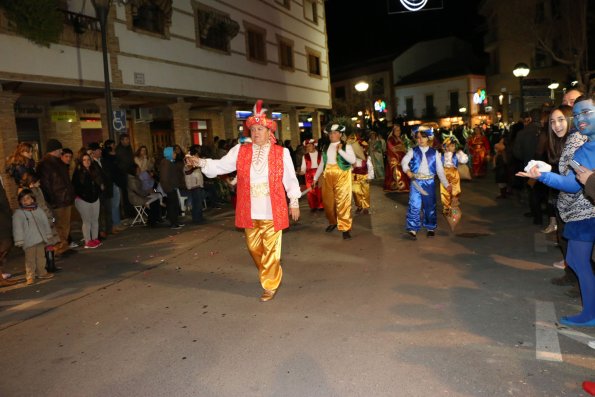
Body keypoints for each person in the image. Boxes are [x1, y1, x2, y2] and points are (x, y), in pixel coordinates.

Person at [189, 100, 301, 301]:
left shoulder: (281, 152)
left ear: (269, 131)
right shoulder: (240, 151)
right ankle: (271, 270)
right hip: (249, 209)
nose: (256, 132)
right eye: (253, 129)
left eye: (260, 129)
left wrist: (293, 201)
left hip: (272, 209)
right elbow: (221, 166)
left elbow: (290, 178)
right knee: (253, 248)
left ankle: (270, 284)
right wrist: (200, 162)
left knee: (271, 250)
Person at [517, 94, 595, 327]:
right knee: (576, 259)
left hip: (585, 212)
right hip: (582, 211)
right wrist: (544, 174)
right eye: (578, 113)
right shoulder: (583, 147)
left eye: (585, 113)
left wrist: (545, 176)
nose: (581, 118)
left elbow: (574, 184)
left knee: (578, 260)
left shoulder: (577, 142)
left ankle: (590, 313)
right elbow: (573, 182)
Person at [402, 126, 451, 240]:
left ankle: (430, 227)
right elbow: (404, 162)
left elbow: (440, 170)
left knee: (430, 206)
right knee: (414, 205)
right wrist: (407, 170)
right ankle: (413, 229)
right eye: (418, 138)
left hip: (429, 182)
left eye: (423, 137)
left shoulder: (435, 153)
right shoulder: (412, 151)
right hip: (416, 182)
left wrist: (446, 184)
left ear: (428, 138)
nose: (420, 140)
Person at [312, 122, 357, 240]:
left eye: (335, 133)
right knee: (328, 202)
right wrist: (315, 178)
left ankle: (345, 227)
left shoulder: (346, 146)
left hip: (342, 175)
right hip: (328, 176)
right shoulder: (325, 147)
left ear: (340, 134)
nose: (332, 135)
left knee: (343, 202)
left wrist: (341, 151)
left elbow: (352, 160)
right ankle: (333, 222)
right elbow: (322, 163)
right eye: (331, 133)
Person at [36, 139, 76, 256]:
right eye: (60, 149)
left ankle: (64, 245)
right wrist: (51, 200)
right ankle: (59, 248)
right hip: (57, 200)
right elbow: (45, 184)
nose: (61, 151)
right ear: (55, 150)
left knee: (65, 224)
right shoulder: (44, 164)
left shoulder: (59, 162)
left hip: (65, 198)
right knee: (59, 225)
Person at [12, 189, 55, 285]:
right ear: (20, 201)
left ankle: (42, 272)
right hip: (29, 241)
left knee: (41, 257)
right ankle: (30, 276)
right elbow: (17, 228)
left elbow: (45, 223)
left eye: (28, 198)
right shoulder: (18, 214)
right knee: (30, 260)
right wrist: (19, 240)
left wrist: (48, 234)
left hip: (40, 238)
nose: (26, 200)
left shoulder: (38, 210)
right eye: (23, 199)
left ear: (32, 199)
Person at [72, 153, 103, 249]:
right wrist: (84, 196)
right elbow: (76, 187)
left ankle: (95, 238)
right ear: (81, 161)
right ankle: (87, 241)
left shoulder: (94, 170)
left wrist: (98, 191)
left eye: (88, 159)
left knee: (95, 219)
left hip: (94, 198)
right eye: (84, 160)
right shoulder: (78, 172)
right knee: (87, 221)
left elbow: (98, 183)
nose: (87, 161)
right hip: (83, 200)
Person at [440, 134, 468, 215]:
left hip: (454, 173)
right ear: (446, 147)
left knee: (455, 191)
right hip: (444, 174)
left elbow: (464, 160)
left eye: (454, 146)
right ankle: (446, 208)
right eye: (452, 146)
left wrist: (461, 153)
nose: (454, 147)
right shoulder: (441, 155)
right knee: (444, 191)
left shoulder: (457, 154)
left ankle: (454, 209)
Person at [159, 147, 184, 229]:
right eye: (173, 153)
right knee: (172, 206)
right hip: (170, 188)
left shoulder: (170, 162)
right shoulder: (166, 163)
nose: (175, 154)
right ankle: (173, 223)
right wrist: (168, 188)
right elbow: (164, 178)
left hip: (173, 187)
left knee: (175, 205)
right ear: (169, 154)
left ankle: (175, 222)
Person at [0, 175, 17, 286]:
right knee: (5, 244)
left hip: (4, 215)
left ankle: (1, 277)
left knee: (6, 244)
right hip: (1, 217)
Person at [383, 124, 410, 192]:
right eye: (397, 130)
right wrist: (401, 148)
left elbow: (403, 148)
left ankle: (402, 186)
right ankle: (397, 187)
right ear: (394, 131)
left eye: (399, 130)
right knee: (396, 172)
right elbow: (391, 148)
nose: (399, 132)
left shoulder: (399, 138)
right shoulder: (390, 139)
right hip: (395, 159)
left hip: (401, 159)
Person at [184, 145, 206, 224]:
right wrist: (196, 166)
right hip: (193, 183)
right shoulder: (188, 158)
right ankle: (197, 219)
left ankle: (199, 217)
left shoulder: (195, 158)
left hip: (197, 182)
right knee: (196, 202)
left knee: (198, 201)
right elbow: (187, 170)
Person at [299, 139, 323, 211]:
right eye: (307, 147)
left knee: (319, 190)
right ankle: (313, 206)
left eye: (309, 146)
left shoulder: (320, 154)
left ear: (314, 146)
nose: (308, 148)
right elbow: (303, 167)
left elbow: (322, 165)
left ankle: (321, 205)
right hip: (309, 174)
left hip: (319, 173)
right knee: (310, 191)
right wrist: (302, 171)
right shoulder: (305, 156)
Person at [351, 138, 373, 215]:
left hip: (364, 176)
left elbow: (370, 167)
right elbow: (350, 168)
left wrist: (370, 177)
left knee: (365, 192)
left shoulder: (367, 157)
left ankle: (365, 207)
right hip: (354, 177)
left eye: (361, 148)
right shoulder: (352, 158)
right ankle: (359, 206)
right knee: (355, 192)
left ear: (363, 148)